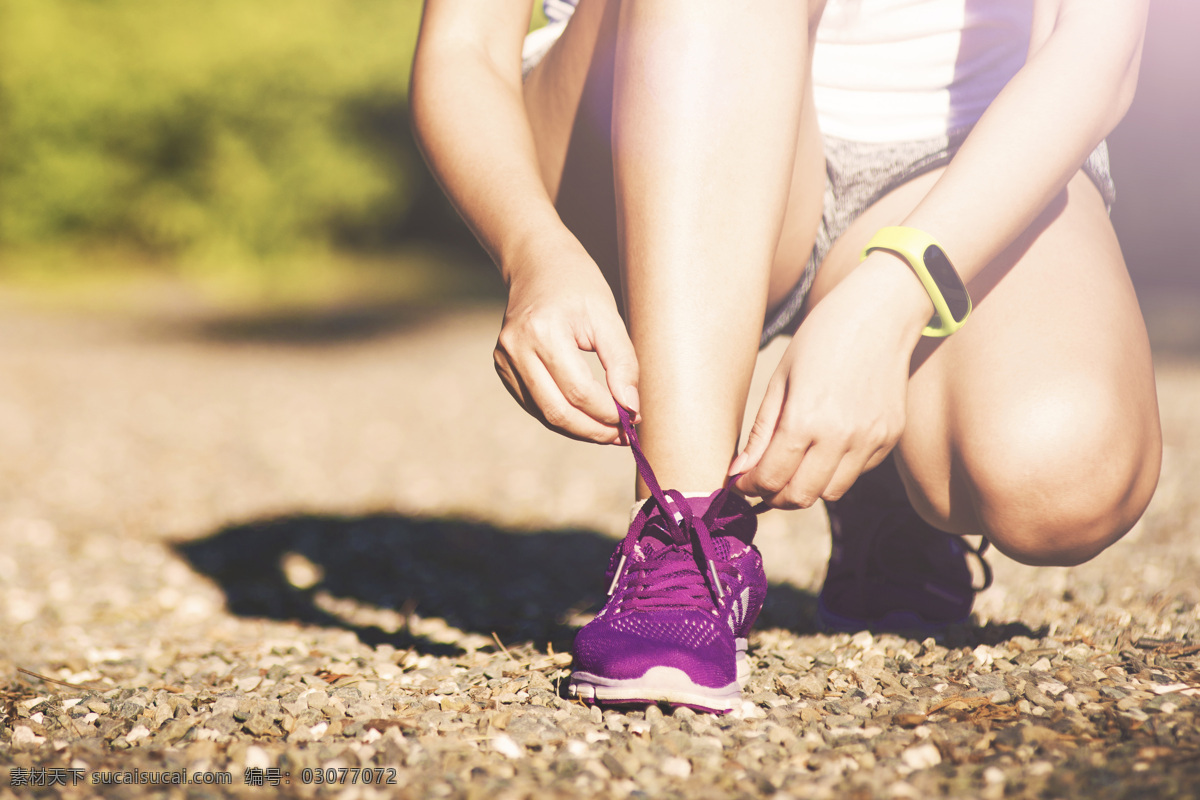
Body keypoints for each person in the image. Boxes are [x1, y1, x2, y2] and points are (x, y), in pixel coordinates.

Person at [410, 0, 1161, 713]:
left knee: (1061, 475)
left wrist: (894, 300)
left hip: (954, 157)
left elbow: (1094, 53)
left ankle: (879, 479)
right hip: (632, 119)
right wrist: (529, 248)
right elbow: (464, 49)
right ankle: (685, 537)